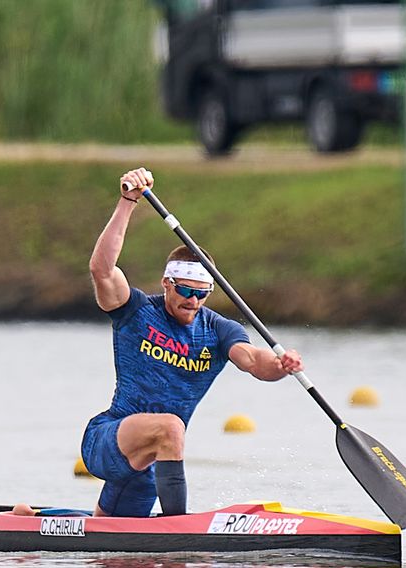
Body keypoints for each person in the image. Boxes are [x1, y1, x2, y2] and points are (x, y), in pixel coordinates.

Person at [80, 167, 303, 517]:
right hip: (107, 441)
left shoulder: (218, 330)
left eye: (202, 294)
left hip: (150, 464)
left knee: (113, 545)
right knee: (171, 426)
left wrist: (281, 365)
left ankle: (30, 520)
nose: (193, 301)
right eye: (185, 291)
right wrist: (127, 202)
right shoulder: (135, 311)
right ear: (167, 283)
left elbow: (252, 360)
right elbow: (102, 270)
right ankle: (177, 525)